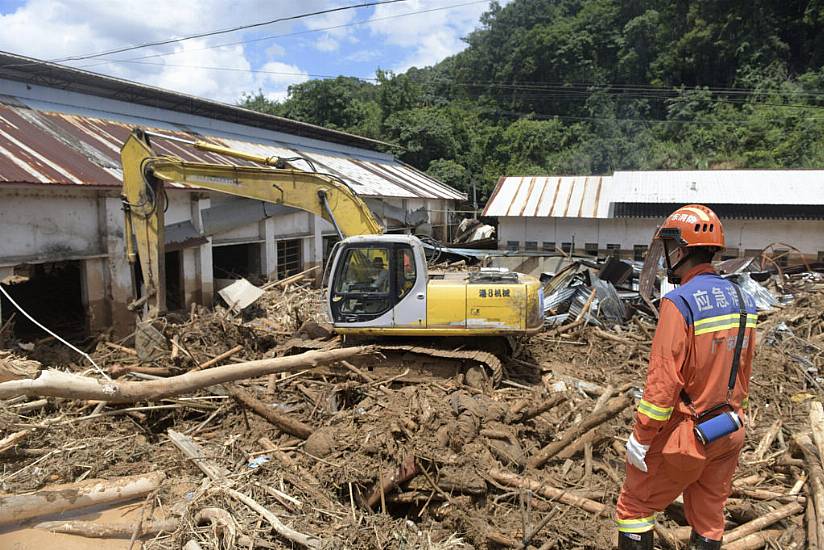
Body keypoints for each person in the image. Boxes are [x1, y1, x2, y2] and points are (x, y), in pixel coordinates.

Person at [615, 204, 757, 550]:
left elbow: (663, 381)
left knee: (634, 508)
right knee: (709, 513)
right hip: (730, 429)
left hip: (687, 436)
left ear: (680, 250)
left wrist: (642, 436)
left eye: (669, 250)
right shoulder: (744, 300)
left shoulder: (679, 303)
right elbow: (744, 371)